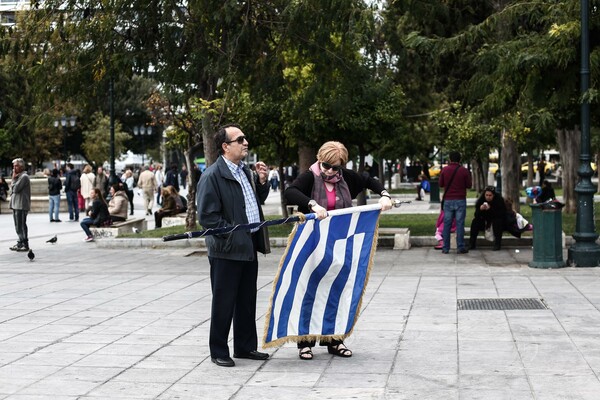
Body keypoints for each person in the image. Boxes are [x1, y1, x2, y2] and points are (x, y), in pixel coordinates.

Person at [284, 141, 393, 360]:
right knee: (309, 291)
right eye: (327, 166)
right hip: (313, 243)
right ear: (319, 159)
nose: (331, 171)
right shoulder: (309, 177)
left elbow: (368, 180)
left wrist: (384, 194)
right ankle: (304, 342)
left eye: (336, 167)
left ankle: (334, 340)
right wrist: (313, 204)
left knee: (336, 289)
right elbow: (291, 192)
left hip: (339, 243)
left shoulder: (346, 178)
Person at [196, 123, 271, 368]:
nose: (245, 142)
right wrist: (232, 235)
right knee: (224, 301)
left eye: (245, 138)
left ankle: (245, 346)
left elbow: (252, 203)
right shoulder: (212, 175)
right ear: (225, 146)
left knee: (247, 300)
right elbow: (208, 217)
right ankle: (218, 349)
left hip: (248, 245)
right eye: (240, 139)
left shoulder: (245, 171)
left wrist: (261, 182)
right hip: (227, 249)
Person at [439, 151, 472, 254]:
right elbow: (469, 185)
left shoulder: (445, 170)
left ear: (449, 159)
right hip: (460, 200)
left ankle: (445, 247)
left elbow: (440, 184)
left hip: (448, 200)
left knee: (447, 224)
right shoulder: (464, 171)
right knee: (460, 224)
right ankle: (460, 247)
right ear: (460, 159)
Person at [468, 186, 506, 251]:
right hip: (484, 220)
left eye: (490, 195)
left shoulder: (499, 200)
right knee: (475, 222)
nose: (488, 197)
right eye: (487, 195)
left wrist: (490, 209)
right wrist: (480, 209)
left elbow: (501, 214)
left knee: (497, 222)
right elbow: (476, 215)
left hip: (496, 220)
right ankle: (472, 243)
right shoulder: (481, 200)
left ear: (493, 195)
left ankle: (497, 244)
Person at [9, 158, 31, 252]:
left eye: (16, 166)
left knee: (21, 225)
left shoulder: (24, 176)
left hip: (21, 204)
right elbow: (11, 190)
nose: (14, 168)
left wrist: (13, 179)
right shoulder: (18, 176)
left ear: (21, 166)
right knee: (17, 225)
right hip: (15, 204)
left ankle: (25, 243)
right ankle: (20, 242)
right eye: (13, 166)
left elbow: (16, 189)